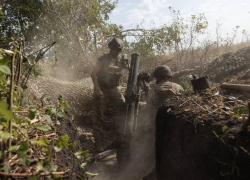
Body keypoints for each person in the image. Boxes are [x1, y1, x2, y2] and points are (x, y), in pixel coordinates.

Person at [90, 38, 126, 152]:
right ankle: (98, 143)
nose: (117, 53)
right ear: (111, 49)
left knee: (123, 105)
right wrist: (97, 89)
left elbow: (130, 70)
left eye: (119, 51)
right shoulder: (103, 59)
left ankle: (120, 136)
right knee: (99, 115)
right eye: (115, 51)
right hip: (102, 88)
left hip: (114, 88)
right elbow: (93, 74)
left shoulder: (120, 60)